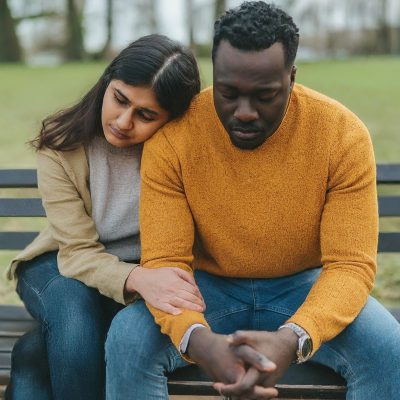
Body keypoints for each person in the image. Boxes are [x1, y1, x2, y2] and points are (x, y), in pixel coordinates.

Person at [105, 2, 400, 400]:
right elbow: (165, 263)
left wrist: (293, 338)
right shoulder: (175, 139)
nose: (244, 113)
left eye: (265, 95)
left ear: (291, 78)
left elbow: (350, 265)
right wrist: (199, 340)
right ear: (215, 72)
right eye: (228, 93)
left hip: (305, 289)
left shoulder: (342, 136)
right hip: (206, 291)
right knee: (128, 338)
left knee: (388, 348)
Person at [5, 34, 204, 400]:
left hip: (142, 272)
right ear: (107, 82)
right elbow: (77, 252)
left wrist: (145, 276)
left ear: (173, 118)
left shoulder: (180, 153)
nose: (124, 121)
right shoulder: (62, 145)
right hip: (60, 263)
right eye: (120, 99)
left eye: (146, 115)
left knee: (36, 352)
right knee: (75, 322)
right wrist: (140, 278)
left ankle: (29, 356)